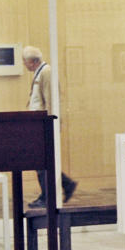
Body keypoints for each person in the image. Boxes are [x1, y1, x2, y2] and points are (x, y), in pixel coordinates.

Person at [22, 45, 77, 207]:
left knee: (41, 161)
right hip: (38, 124)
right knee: (42, 161)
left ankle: (48, 196)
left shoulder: (46, 72)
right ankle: (63, 185)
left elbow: (51, 100)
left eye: (25, 61)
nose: (24, 64)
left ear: (32, 61)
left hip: (44, 125)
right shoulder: (40, 73)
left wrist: (52, 124)